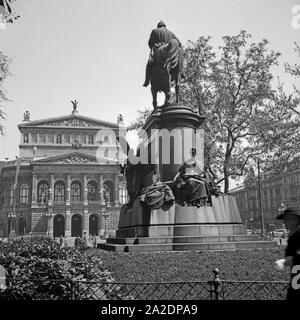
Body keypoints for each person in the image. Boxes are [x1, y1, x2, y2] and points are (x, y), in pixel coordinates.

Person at [143, 20, 183, 87]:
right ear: (165, 26)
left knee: (149, 64)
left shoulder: (154, 31)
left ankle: (147, 81)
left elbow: (150, 43)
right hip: (169, 51)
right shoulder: (171, 33)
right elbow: (179, 44)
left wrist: (153, 48)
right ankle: (181, 72)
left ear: (158, 26)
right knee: (179, 53)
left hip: (158, 49)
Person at [274, 207, 300, 300]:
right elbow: (290, 258)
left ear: (296, 220)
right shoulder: (292, 239)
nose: (284, 222)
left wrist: (283, 261)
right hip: (296, 281)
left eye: (287, 219)